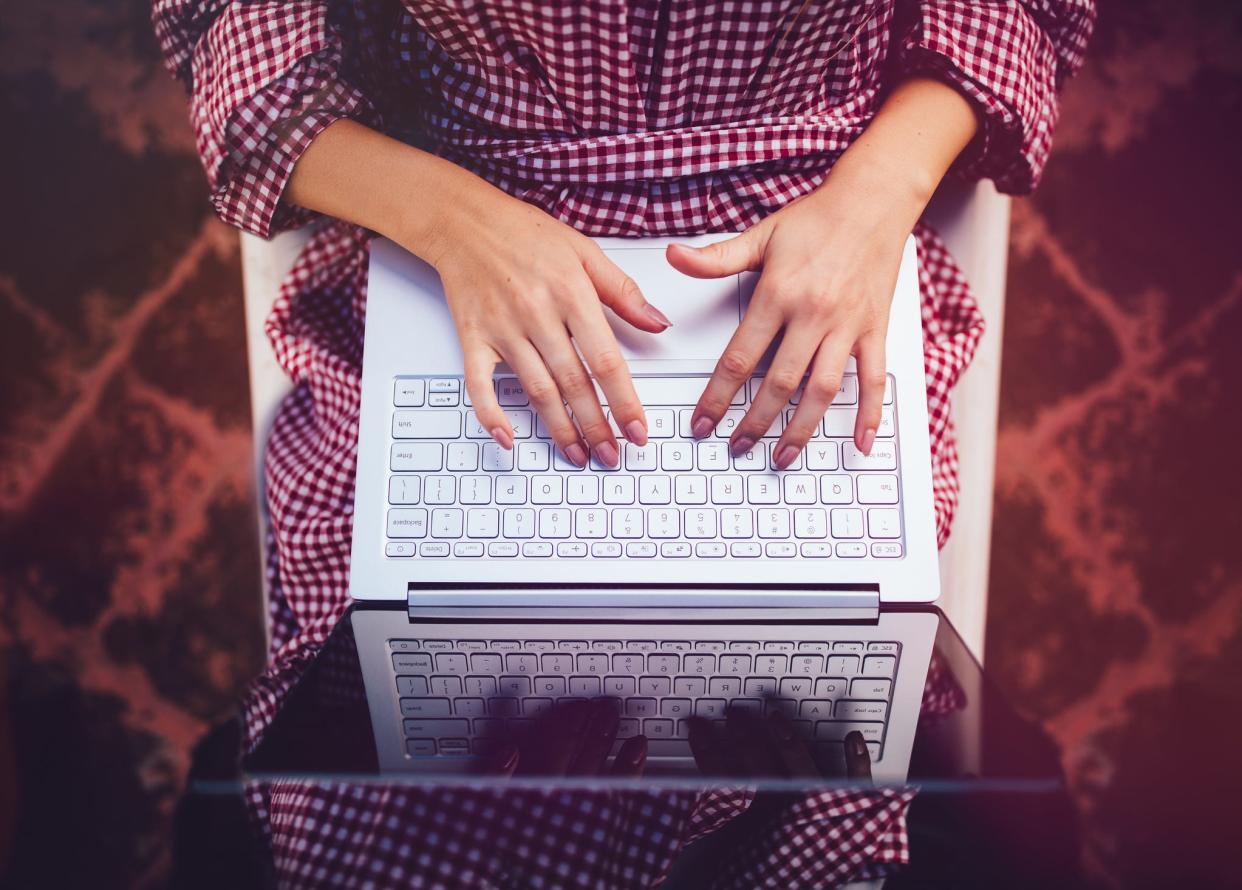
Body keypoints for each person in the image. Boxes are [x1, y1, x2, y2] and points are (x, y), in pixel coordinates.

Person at [154, 1, 1094, 885]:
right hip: (450, 265)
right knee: (407, 737)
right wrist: (451, 220)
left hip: (811, 259)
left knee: (845, 728)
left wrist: (874, 200)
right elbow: (241, 54)